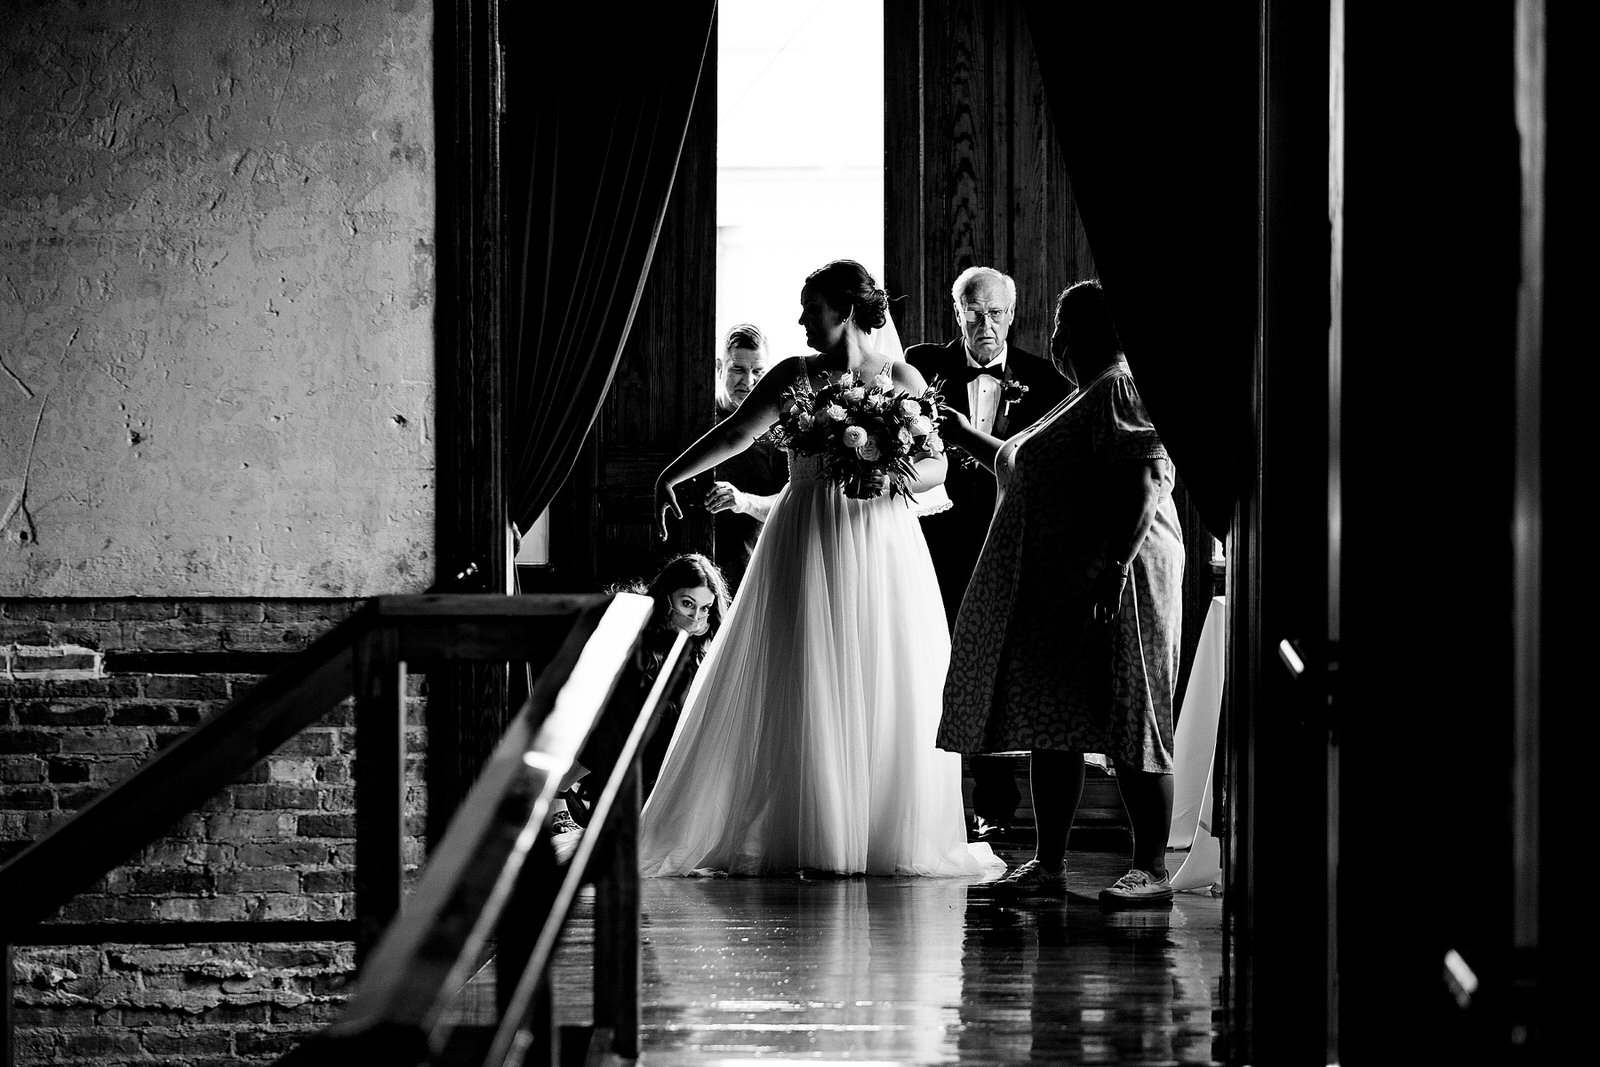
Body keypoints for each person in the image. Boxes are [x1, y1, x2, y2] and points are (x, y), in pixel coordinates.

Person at [642, 259, 992, 877]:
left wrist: (894, 474)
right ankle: (809, 828)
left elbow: (938, 467)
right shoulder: (794, 375)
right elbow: (735, 435)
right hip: (804, 538)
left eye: (812, 307)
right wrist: (670, 474)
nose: (803, 318)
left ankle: (877, 831)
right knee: (803, 672)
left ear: (847, 311)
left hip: (880, 541)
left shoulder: (902, 377)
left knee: (882, 675)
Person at [936, 279, 1185, 904]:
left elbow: (1149, 477)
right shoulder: (1086, 396)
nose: (1052, 340)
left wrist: (1116, 566)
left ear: (1082, 334)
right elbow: (1029, 468)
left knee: (1133, 713)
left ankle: (1150, 869)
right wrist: (965, 435)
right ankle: (1048, 864)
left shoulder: (1119, 387)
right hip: (1073, 593)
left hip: (1120, 586)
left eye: (1060, 327)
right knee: (1058, 722)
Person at [906, 266, 1074, 843]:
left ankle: (995, 809)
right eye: (973, 311)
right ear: (957, 312)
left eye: (996, 312)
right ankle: (928, 805)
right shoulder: (921, 367)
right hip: (936, 541)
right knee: (934, 662)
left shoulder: (1046, 380)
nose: (985, 323)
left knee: (998, 669)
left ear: (1013, 314)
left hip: (1009, 541)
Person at [550, 553, 731, 849]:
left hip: (658, 754)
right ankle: (560, 788)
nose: (695, 617)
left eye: (704, 609)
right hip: (609, 726)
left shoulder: (700, 644)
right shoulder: (635, 628)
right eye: (687, 603)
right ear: (667, 597)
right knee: (647, 708)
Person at [704, 324, 787, 592]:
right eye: (738, 369)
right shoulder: (696, 420)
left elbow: (790, 501)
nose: (749, 381)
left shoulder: (779, 434)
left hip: (749, 579)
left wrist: (744, 501)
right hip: (688, 574)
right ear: (719, 368)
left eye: (758, 372)